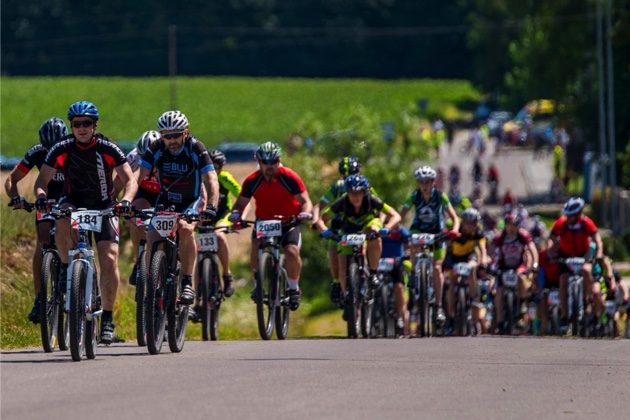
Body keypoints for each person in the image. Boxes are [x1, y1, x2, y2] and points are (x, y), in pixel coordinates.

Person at [34, 101, 138, 343]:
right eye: (77, 124)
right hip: (74, 202)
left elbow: (129, 180)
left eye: (87, 124)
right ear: (71, 126)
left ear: (95, 125)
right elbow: (42, 182)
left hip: (104, 205)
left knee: (109, 257)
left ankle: (108, 319)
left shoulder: (108, 148)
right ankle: (63, 268)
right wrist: (40, 197)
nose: (82, 128)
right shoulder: (61, 148)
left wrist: (127, 200)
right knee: (60, 216)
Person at [137, 110, 220, 306]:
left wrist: (212, 206)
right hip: (166, 199)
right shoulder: (157, 148)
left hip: (191, 200)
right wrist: (125, 201)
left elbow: (211, 179)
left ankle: (187, 281)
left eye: (176, 135)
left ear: (186, 132)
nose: (172, 140)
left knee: (185, 228)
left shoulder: (195, 148)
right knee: (152, 234)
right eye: (167, 136)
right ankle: (152, 283)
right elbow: (138, 177)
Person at [228, 142, 313, 310]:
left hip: (289, 222)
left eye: (273, 162)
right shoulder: (253, 180)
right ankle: (257, 283)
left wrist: (304, 213)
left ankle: (294, 288)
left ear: (278, 160)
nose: (269, 166)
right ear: (258, 162)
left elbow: (306, 201)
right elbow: (240, 204)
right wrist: (236, 216)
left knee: (291, 251)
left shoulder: (289, 177)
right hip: (264, 222)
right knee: (255, 244)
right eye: (265, 163)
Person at [4, 117, 68, 323]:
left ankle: (76, 279)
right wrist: (15, 198)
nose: (52, 152)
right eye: (48, 148)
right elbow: (12, 178)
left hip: (71, 200)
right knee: (42, 243)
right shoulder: (36, 152)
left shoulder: (72, 149)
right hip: (46, 201)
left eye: (55, 147)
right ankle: (40, 298)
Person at [315, 175, 401, 316]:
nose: (356, 197)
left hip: (368, 226)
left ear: (365, 193)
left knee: (375, 233)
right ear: (347, 193)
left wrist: (387, 228)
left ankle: (373, 272)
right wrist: (325, 231)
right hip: (348, 230)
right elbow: (321, 219)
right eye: (352, 193)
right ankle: (347, 297)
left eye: (359, 193)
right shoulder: (341, 202)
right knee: (342, 264)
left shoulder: (372, 200)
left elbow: (395, 215)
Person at [399, 166, 460, 325]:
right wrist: (394, 227)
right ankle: (413, 273)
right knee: (413, 241)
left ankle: (439, 307)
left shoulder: (441, 196)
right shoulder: (414, 196)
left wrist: (454, 229)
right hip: (418, 229)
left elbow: (454, 217)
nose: (425, 185)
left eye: (428, 182)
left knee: (437, 267)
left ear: (433, 182)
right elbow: (401, 215)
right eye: (421, 182)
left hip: (437, 231)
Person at [312, 156, 361, 305]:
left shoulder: (363, 185)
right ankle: (336, 282)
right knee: (334, 253)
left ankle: (370, 274)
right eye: (345, 176)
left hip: (359, 224)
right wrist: (316, 220)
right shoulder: (338, 187)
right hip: (339, 224)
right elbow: (319, 206)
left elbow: (376, 205)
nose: (348, 180)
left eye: (352, 175)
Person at [548, 197, 603, 327]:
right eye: (568, 215)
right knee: (563, 279)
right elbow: (552, 237)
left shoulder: (586, 223)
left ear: (579, 213)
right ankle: (564, 314)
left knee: (586, 270)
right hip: (565, 254)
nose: (569, 218)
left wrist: (599, 253)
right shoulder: (561, 223)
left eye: (572, 215)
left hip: (584, 253)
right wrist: (551, 252)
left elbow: (597, 239)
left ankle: (586, 299)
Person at [443, 208, 489, 335]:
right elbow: (446, 245)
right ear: (463, 222)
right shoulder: (456, 230)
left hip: (469, 256)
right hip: (454, 257)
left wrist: (484, 260)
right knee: (452, 281)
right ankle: (451, 316)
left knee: (472, 267)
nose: (471, 226)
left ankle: (473, 297)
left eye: (474, 223)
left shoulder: (478, 232)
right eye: (468, 223)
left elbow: (482, 248)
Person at [125, 130, 162, 285]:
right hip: (144, 193)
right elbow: (122, 183)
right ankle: (138, 259)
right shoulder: (133, 157)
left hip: (164, 194)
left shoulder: (167, 157)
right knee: (135, 220)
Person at [492, 210, 538, 333]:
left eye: (514, 225)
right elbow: (492, 252)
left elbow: (533, 249)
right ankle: (500, 322)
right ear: (505, 225)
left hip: (519, 265)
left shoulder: (523, 236)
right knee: (499, 293)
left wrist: (534, 264)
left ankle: (522, 303)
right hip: (504, 267)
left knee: (521, 277)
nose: (512, 228)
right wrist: (490, 265)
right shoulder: (499, 237)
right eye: (509, 225)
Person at [207, 149, 241, 297]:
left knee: (219, 236)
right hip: (204, 217)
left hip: (222, 214)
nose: (214, 170)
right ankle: (196, 299)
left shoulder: (225, 178)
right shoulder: (201, 178)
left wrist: (236, 215)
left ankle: (227, 275)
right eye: (211, 166)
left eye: (217, 166)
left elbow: (241, 196)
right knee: (194, 249)